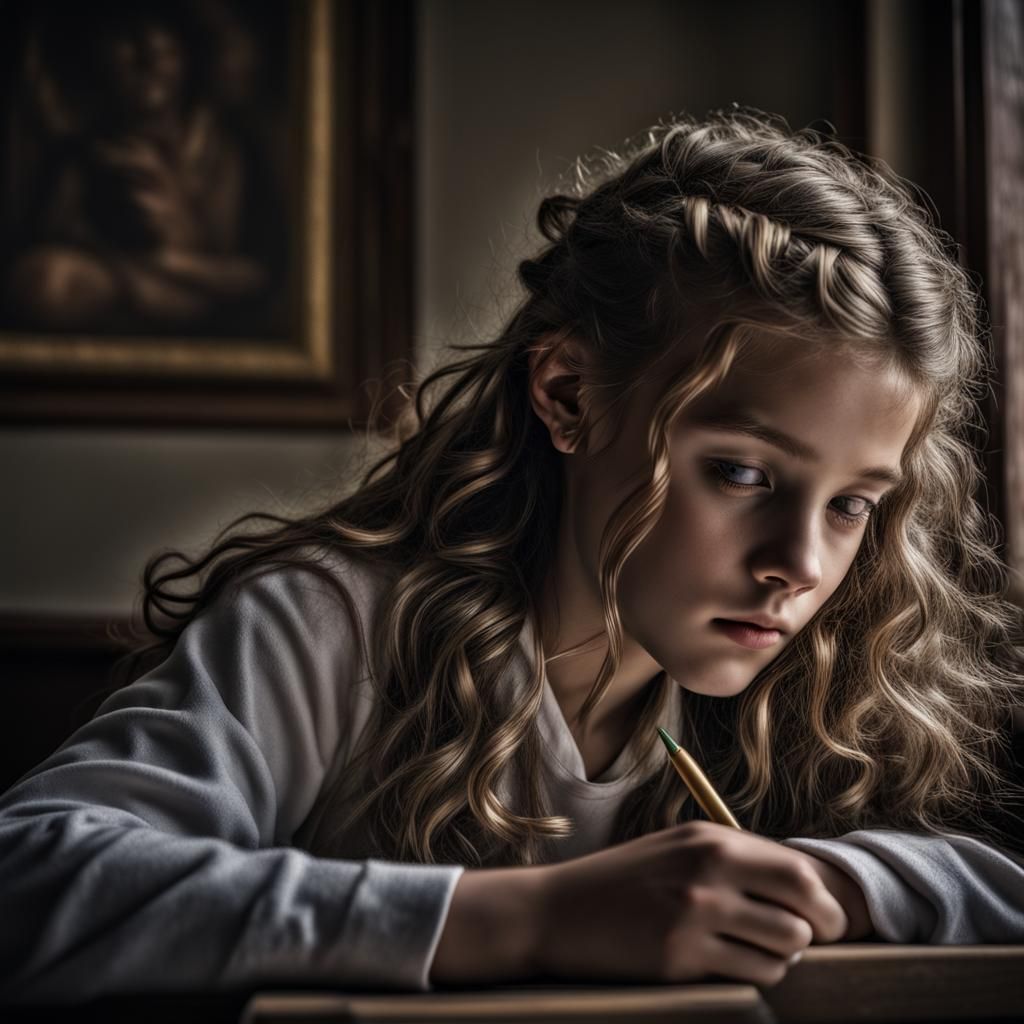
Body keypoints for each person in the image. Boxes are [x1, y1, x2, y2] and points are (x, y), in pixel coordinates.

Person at [1, 108, 1023, 1002]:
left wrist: (831, 887)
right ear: (568, 396)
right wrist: (526, 918)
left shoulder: (799, 695)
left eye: (851, 503)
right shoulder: (332, 627)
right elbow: (29, 877)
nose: (797, 563)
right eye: (744, 475)